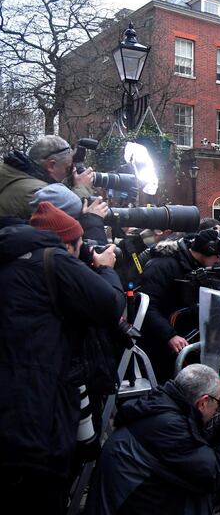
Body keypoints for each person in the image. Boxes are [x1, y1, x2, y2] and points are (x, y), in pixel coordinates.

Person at [0, 201, 124, 513]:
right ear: (66, 243)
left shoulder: (11, 256)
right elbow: (109, 305)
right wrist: (107, 270)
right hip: (37, 418)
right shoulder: (53, 260)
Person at [84, 363, 220, 515]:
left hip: (127, 500)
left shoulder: (161, 405)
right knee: (200, 495)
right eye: (219, 402)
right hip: (131, 505)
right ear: (203, 402)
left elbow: (196, 449)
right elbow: (215, 474)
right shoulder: (169, 426)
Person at [139, 229, 220, 382]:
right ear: (205, 251)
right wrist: (169, 335)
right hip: (161, 344)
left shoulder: (196, 265)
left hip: (184, 335)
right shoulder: (162, 265)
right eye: (217, 255)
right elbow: (146, 306)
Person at [0, 135, 95, 219]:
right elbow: (74, 207)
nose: (70, 173)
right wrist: (83, 187)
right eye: (68, 168)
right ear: (51, 166)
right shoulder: (38, 192)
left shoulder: (13, 172)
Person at [30, 183, 110, 243]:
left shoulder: (33, 239)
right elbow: (99, 261)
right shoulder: (59, 254)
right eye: (76, 219)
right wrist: (92, 224)